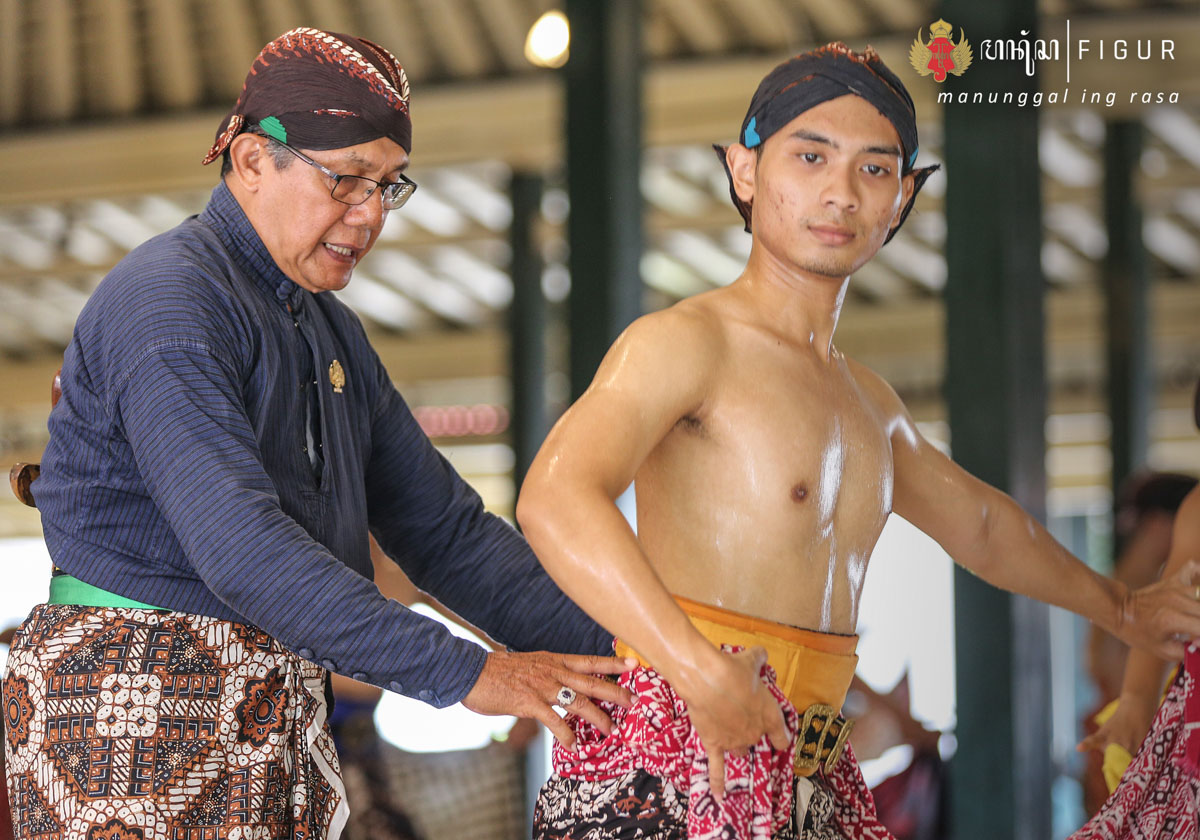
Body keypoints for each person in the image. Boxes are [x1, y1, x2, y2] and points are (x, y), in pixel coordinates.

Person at [516, 42, 1200, 839]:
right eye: (810, 157)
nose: (840, 192)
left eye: (874, 170)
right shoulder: (685, 342)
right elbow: (554, 498)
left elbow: (981, 526)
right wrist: (697, 670)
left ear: (902, 198)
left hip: (815, 759)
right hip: (681, 735)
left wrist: (1123, 609)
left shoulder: (869, 402)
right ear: (745, 170)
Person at [0, 28, 631, 840]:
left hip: (274, 721)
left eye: (389, 186)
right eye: (348, 180)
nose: (370, 215)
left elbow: (447, 534)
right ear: (255, 160)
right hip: (134, 724)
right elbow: (244, 551)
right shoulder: (166, 301)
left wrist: (636, 659)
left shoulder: (331, 333)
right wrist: (475, 674)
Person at [1078, 471, 1197, 811]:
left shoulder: (1127, 582)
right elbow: (1118, 678)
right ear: (1160, 524)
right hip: (1129, 739)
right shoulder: (1135, 592)